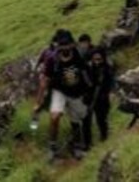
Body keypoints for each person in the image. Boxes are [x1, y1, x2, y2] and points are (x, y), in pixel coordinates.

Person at [39, 30, 92, 160]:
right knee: (55, 116)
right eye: (62, 45)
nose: (65, 48)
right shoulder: (52, 59)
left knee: (76, 120)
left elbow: (86, 72)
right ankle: (52, 147)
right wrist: (39, 101)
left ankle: (77, 146)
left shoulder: (79, 55)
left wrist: (89, 90)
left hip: (76, 91)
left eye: (67, 45)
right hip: (59, 91)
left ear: (72, 44)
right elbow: (45, 79)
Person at [82, 47, 114, 147]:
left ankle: (104, 138)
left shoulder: (107, 69)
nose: (97, 62)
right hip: (89, 97)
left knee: (101, 119)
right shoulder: (88, 68)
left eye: (99, 59)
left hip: (102, 98)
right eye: (95, 59)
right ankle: (87, 143)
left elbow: (110, 84)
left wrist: (107, 93)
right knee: (86, 121)